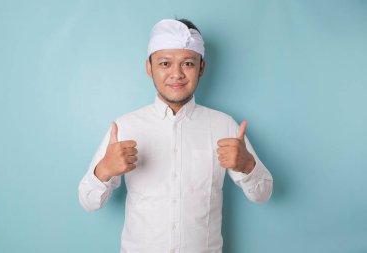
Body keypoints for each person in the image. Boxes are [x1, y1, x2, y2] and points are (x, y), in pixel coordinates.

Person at [79, 18, 273, 253]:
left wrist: (248, 166)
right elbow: (88, 202)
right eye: (164, 63)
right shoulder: (124, 127)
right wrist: (104, 170)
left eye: (188, 64)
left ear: (201, 67)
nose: (176, 74)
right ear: (149, 67)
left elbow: (263, 194)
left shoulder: (224, 126)